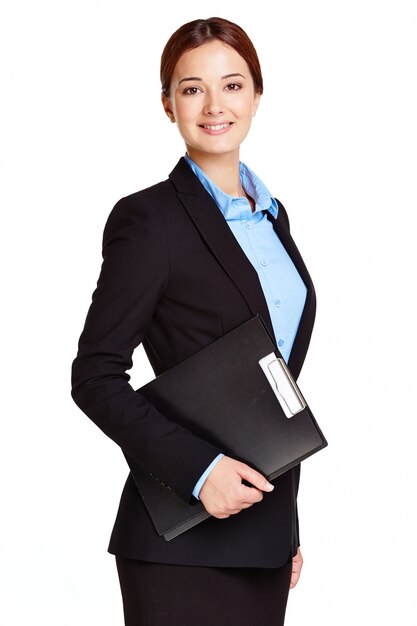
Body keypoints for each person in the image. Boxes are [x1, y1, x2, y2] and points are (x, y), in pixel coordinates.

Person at [71, 16, 316, 626]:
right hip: (180, 537)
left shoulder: (273, 221)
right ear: (167, 103)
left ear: (257, 95)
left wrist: (285, 524)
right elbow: (95, 376)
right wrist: (200, 471)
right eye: (191, 88)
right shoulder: (149, 221)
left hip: (261, 535)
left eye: (232, 86)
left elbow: (273, 386)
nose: (214, 106)